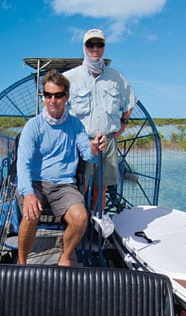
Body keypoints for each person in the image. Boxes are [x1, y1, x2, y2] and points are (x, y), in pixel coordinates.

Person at [17, 69, 105, 266]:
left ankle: (64, 258)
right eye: (48, 95)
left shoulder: (75, 125)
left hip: (64, 186)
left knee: (80, 217)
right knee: (30, 215)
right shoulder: (33, 126)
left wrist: (94, 148)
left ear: (66, 97)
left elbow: (88, 155)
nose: (52, 100)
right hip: (35, 183)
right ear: (43, 98)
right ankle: (21, 263)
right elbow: (23, 163)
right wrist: (29, 194)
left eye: (57, 95)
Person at [64, 28, 137, 212]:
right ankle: (78, 226)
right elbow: (55, 108)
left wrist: (122, 126)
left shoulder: (116, 77)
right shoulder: (70, 78)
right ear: (84, 47)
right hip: (80, 142)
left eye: (99, 44)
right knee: (79, 189)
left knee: (101, 188)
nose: (95, 48)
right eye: (91, 44)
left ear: (104, 47)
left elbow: (129, 102)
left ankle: (95, 228)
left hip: (108, 142)